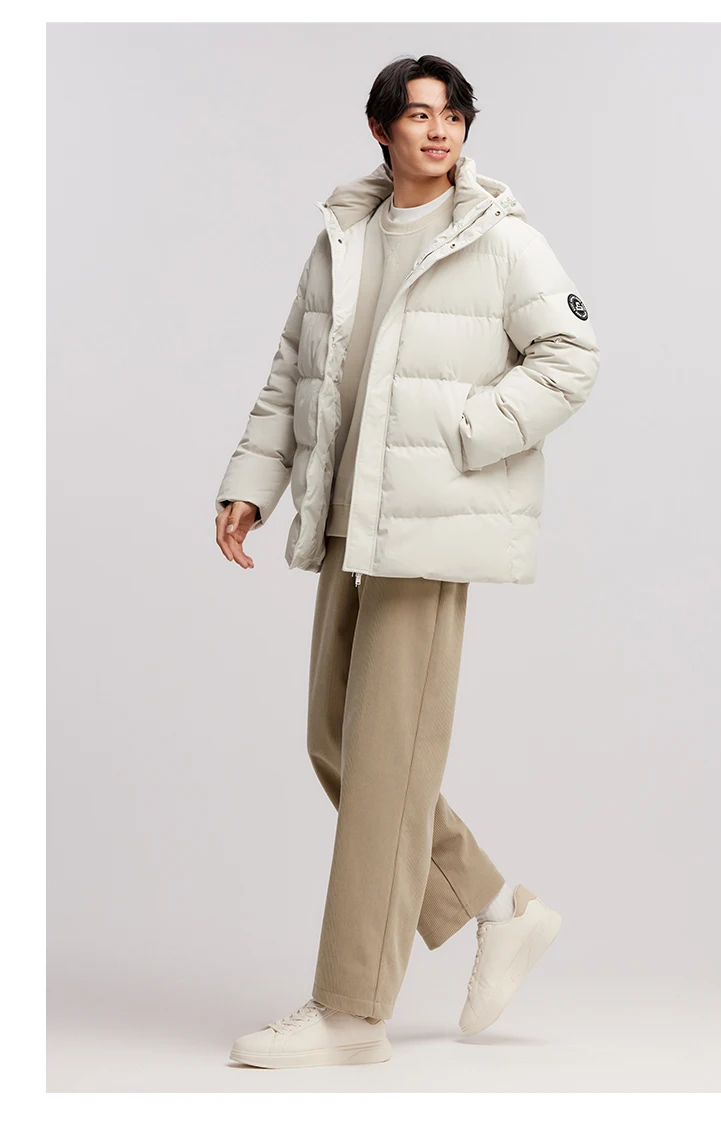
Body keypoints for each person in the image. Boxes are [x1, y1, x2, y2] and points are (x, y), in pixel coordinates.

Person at [215, 54, 600, 1070]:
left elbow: (572, 357)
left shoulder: (500, 237)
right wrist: (253, 480)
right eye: (420, 114)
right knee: (338, 743)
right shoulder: (343, 236)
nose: (439, 131)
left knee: (386, 761)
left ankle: (352, 1011)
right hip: (349, 521)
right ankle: (498, 907)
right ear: (380, 127)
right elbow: (293, 368)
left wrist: (467, 435)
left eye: (453, 115)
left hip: (428, 527)